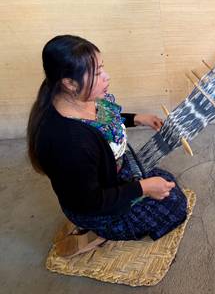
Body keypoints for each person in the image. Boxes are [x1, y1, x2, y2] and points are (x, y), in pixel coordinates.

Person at [27, 35, 187, 257]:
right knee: (175, 206)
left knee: (167, 181)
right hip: (95, 209)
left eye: (102, 68)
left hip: (110, 176)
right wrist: (144, 188)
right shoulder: (68, 142)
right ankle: (102, 231)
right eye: (97, 73)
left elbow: (103, 120)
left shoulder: (78, 99)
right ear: (69, 83)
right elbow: (90, 201)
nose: (106, 77)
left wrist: (137, 118)